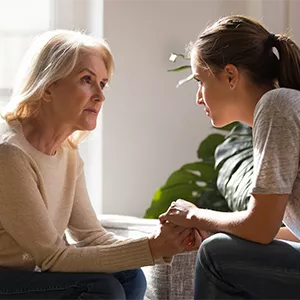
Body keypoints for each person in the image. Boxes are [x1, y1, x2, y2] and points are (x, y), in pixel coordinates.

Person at [0, 30, 202, 300]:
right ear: (47, 87)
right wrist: (153, 247)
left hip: (30, 274)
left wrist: (162, 241)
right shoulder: (10, 154)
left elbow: (92, 236)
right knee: (102, 289)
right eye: (87, 80)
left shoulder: (69, 153)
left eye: (103, 84)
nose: (100, 96)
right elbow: (52, 257)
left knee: (128, 276)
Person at [160, 15, 300, 300]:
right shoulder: (283, 105)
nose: (199, 97)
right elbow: (288, 233)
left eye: (200, 80)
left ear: (231, 76)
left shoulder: (276, 106)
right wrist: (217, 229)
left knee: (216, 256)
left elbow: (261, 227)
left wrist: (193, 214)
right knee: (221, 246)